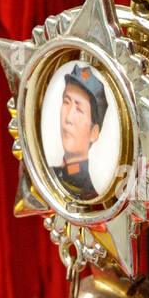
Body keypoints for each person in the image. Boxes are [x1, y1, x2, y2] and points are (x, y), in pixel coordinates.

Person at [53, 63, 108, 199]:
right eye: (66, 102)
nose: (68, 118)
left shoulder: (91, 191)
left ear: (94, 133)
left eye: (79, 109)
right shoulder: (50, 174)